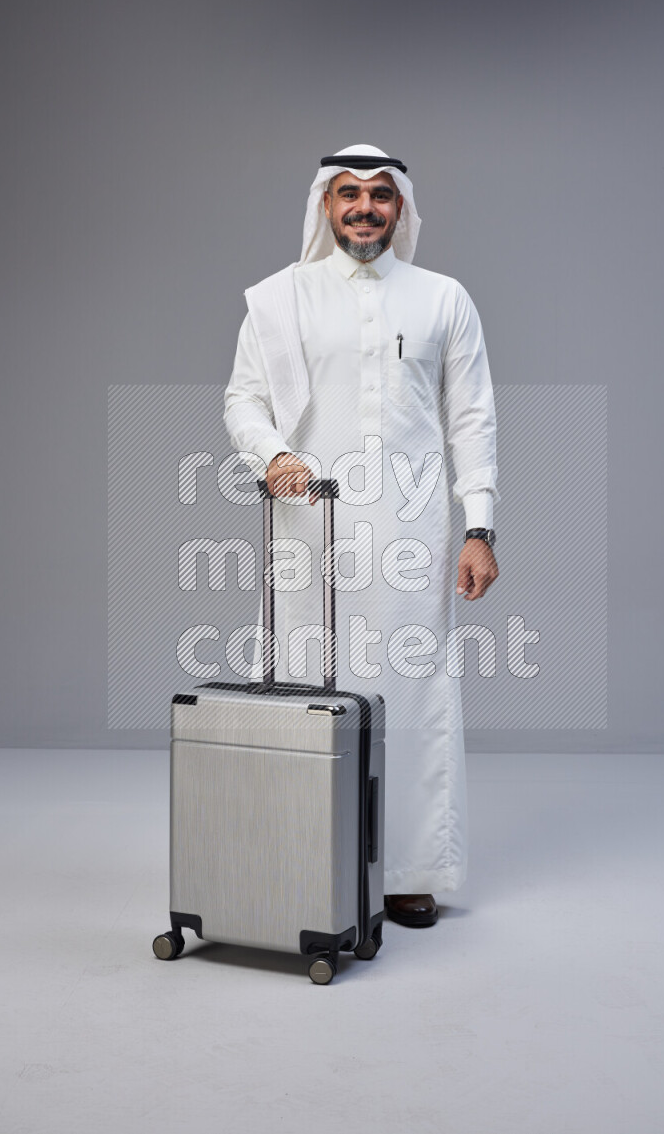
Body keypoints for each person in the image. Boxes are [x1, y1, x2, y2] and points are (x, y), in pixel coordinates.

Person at [224, 144, 499, 928]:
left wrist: (478, 525)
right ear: (325, 205)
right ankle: (304, 853)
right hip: (310, 527)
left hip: (414, 532)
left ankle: (410, 868)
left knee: (411, 692)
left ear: (403, 208)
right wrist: (273, 453)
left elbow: (472, 418)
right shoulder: (281, 299)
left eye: (381, 194)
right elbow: (243, 401)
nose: (365, 208)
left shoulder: (444, 298)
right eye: (349, 193)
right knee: (305, 689)